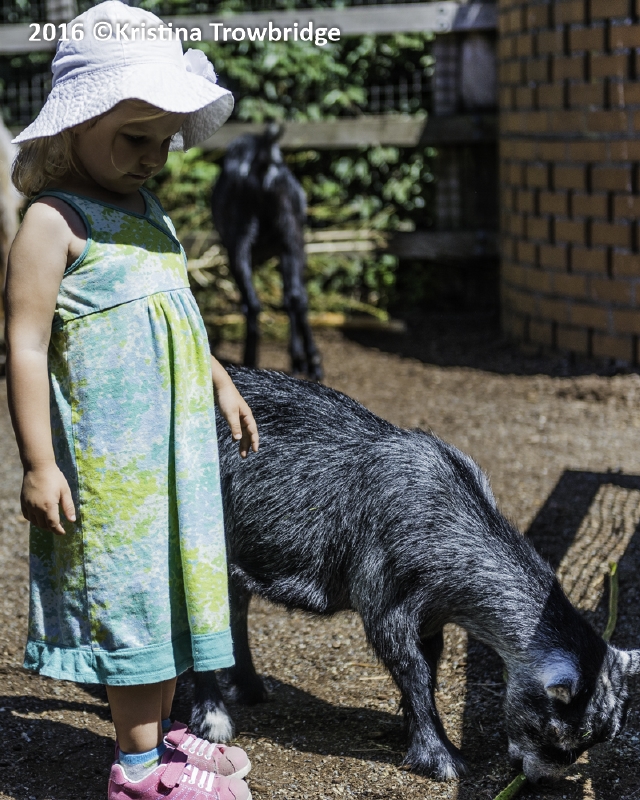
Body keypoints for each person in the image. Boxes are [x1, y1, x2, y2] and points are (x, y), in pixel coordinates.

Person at [5, 2, 259, 798]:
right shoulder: (54, 222)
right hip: (112, 469)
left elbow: (174, 314)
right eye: (134, 138)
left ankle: (160, 736)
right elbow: (24, 344)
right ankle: (139, 770)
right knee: (131, 600)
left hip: (171, 460)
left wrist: (219, 379)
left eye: (164, 141)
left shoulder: (148, 214)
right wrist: (39, 463)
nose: (153, 157)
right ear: (77, 124)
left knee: (169, 593)